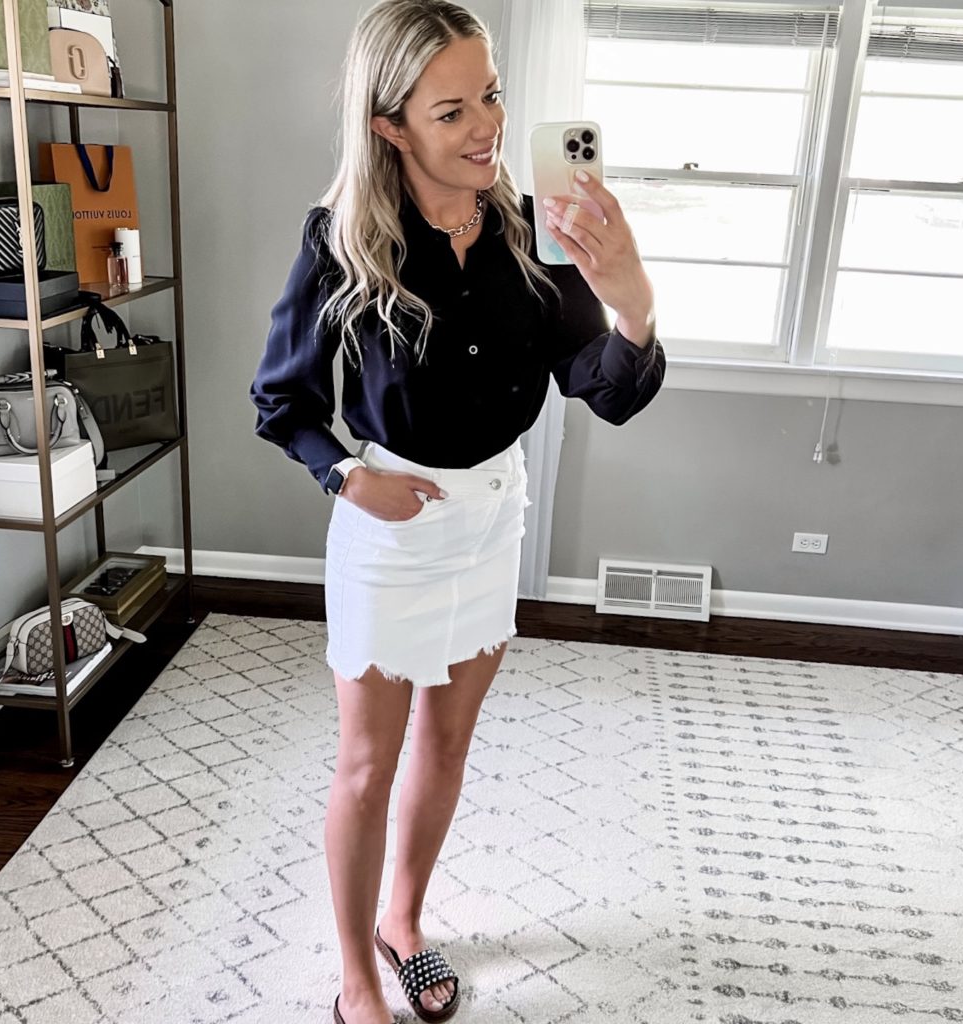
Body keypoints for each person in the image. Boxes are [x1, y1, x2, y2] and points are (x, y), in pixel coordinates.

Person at [249, 2, 665, 1021]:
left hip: (493, 517)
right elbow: (282, 403)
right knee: (366, 765)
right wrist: (348, 477)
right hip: (390, 529)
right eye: (452, 111)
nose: (487, 126)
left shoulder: (531, 228)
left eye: (491, 96)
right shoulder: (342, 239)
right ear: (388, 125)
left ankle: (403, 921)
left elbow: (601, 387)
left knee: (444, 747)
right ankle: (356, 973)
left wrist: (632, 302)